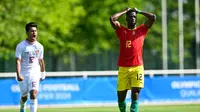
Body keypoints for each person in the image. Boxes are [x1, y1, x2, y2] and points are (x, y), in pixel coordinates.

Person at [109, 7, 156, 112]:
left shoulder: (142, 30)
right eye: (130, 17)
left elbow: (153, 17)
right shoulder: (121, 31)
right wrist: (125, 11)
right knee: (121, 97)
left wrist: (139, 11)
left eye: (135, 16)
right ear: (126, 19)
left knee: (136, 92)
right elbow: (112, 19)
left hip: (137, 67)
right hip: (123, 68)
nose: (133, 18)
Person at [15, 22, 46, 112]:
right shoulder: (21, 46)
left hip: (35, 73)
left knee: (34, 94)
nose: (34, 33)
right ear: (27, 32)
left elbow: (41, 60)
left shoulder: (40, 46)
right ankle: (22, 105)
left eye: (35, 31)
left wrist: (43, 73)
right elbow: (18, 61)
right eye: (32, 31)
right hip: (23, 74)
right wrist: (18, 74)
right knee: (24, 96)